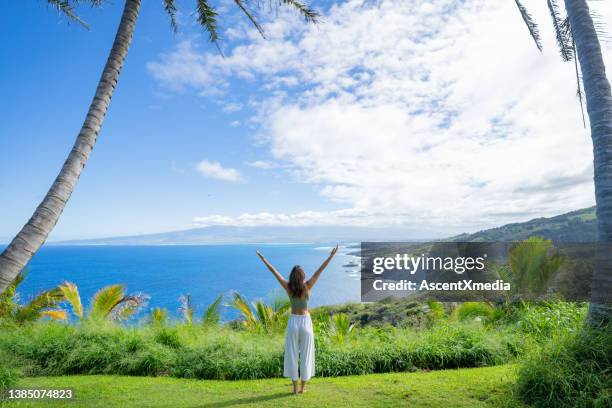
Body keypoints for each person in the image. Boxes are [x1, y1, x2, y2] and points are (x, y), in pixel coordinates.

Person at [256, 244, 339, 394]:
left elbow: (274, 271)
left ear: (292, 277)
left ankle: (294, 388)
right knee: (307, 355)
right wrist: (331, 256)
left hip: (293, 321)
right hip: (305, 322)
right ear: (302, 276)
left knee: (292, 354)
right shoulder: (308, 286)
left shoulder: (289, 288)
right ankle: (302, 388)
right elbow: (320, 270)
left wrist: (263, 258)